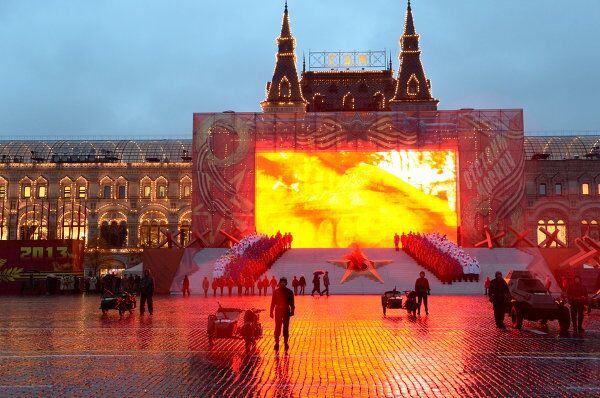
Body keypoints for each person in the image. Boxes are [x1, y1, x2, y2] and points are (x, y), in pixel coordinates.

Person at [270, 277, 295, 352]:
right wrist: (271, 311)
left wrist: (292, 311)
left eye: (284, 282)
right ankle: (277, 343)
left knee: (286, 327)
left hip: (286, 310)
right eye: (282, 282)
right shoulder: (276, 291)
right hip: (278, 310)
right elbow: (273, 303)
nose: (283, 283)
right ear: (280, 283)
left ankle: (285, 342)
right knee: (277, 327)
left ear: (286, 283)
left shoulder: (289, 291)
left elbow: (292, 303)